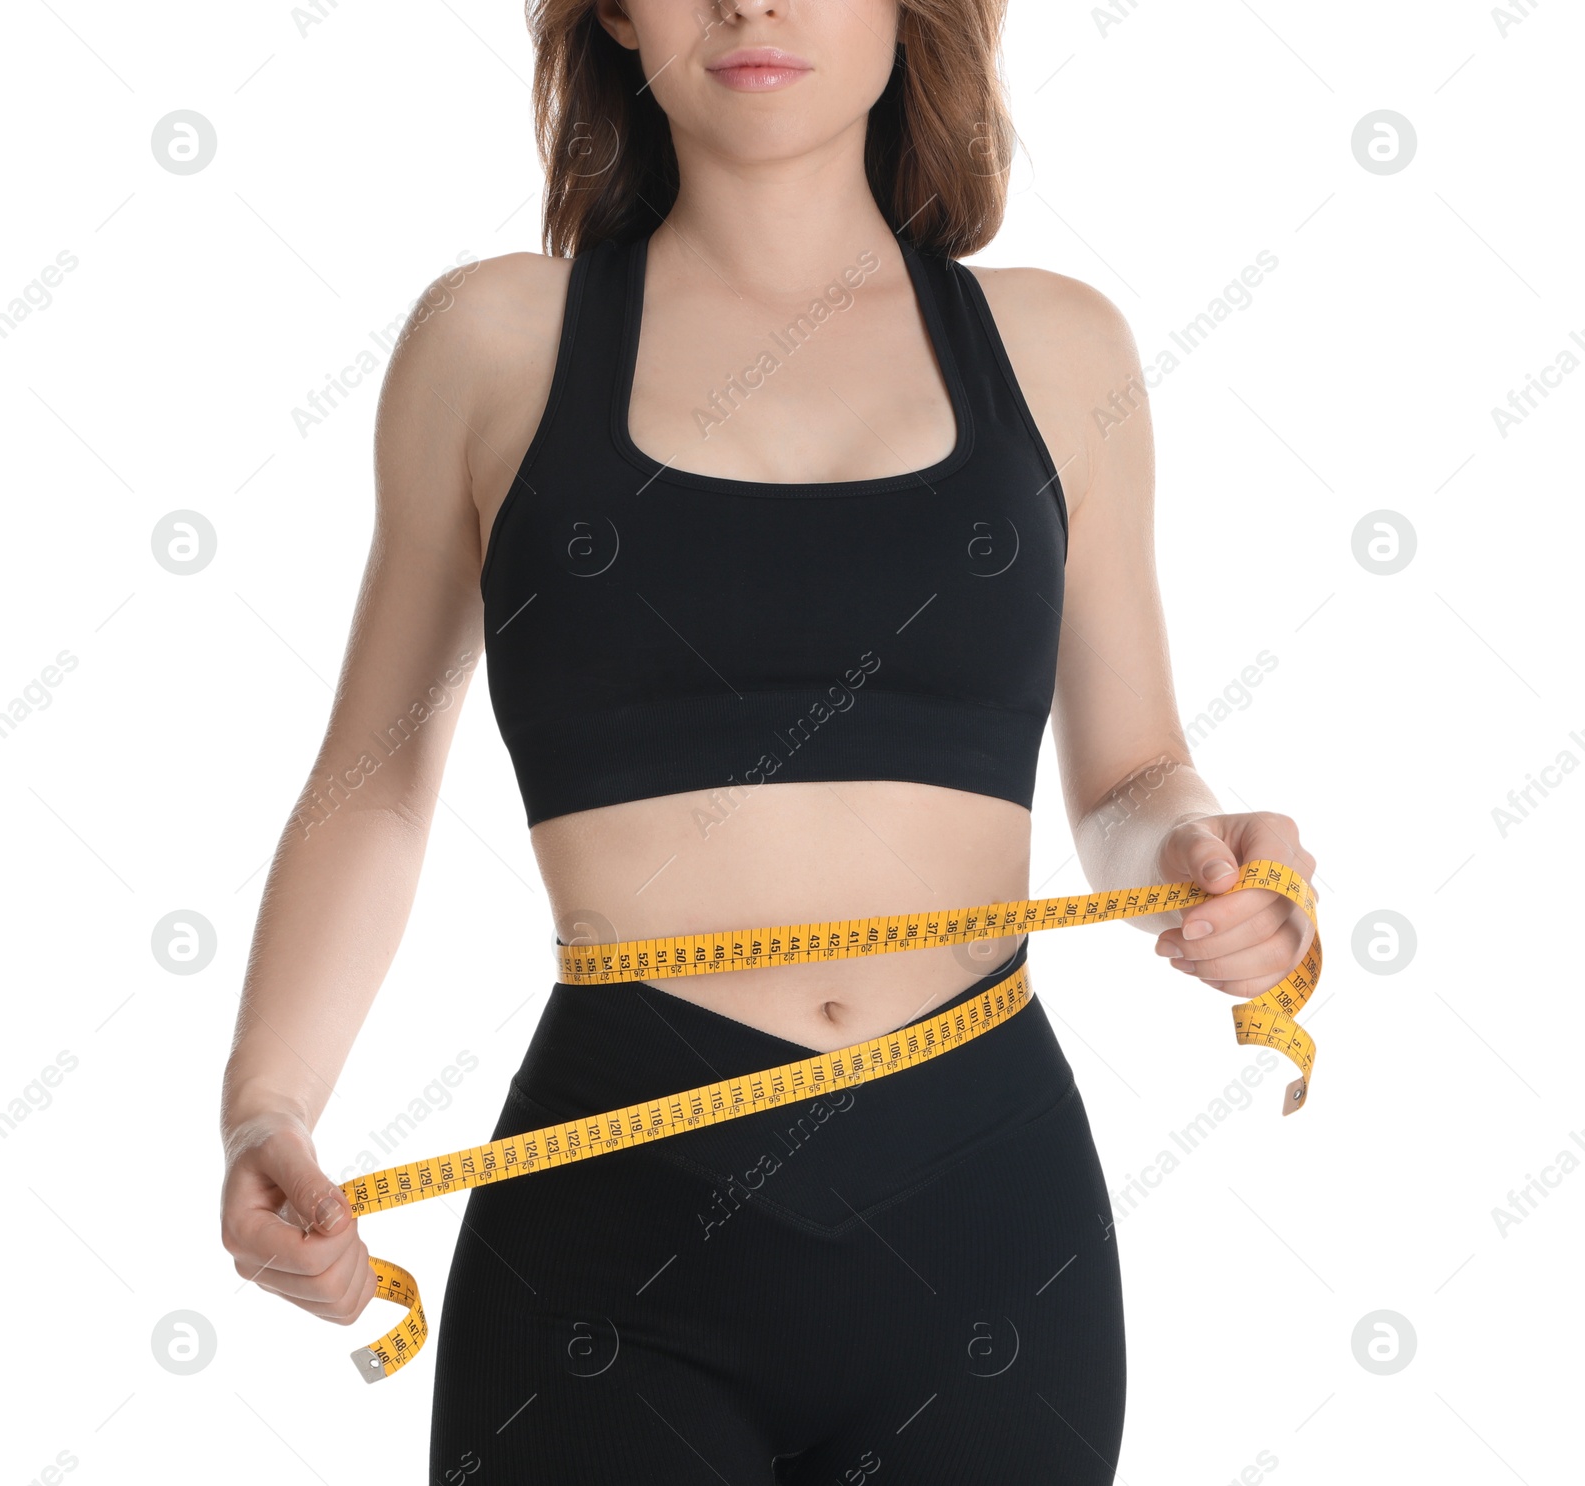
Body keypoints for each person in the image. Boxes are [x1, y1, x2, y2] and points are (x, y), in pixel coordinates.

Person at [219, 1, 1319, 1480]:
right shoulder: (490, 343)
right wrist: (265, 1107)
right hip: (617, 1224)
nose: (752, 2)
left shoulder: (1059, 349)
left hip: (989, 1220)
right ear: (612, 9)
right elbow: (374, 789)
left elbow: (1130, 775)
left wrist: (1200, 847)